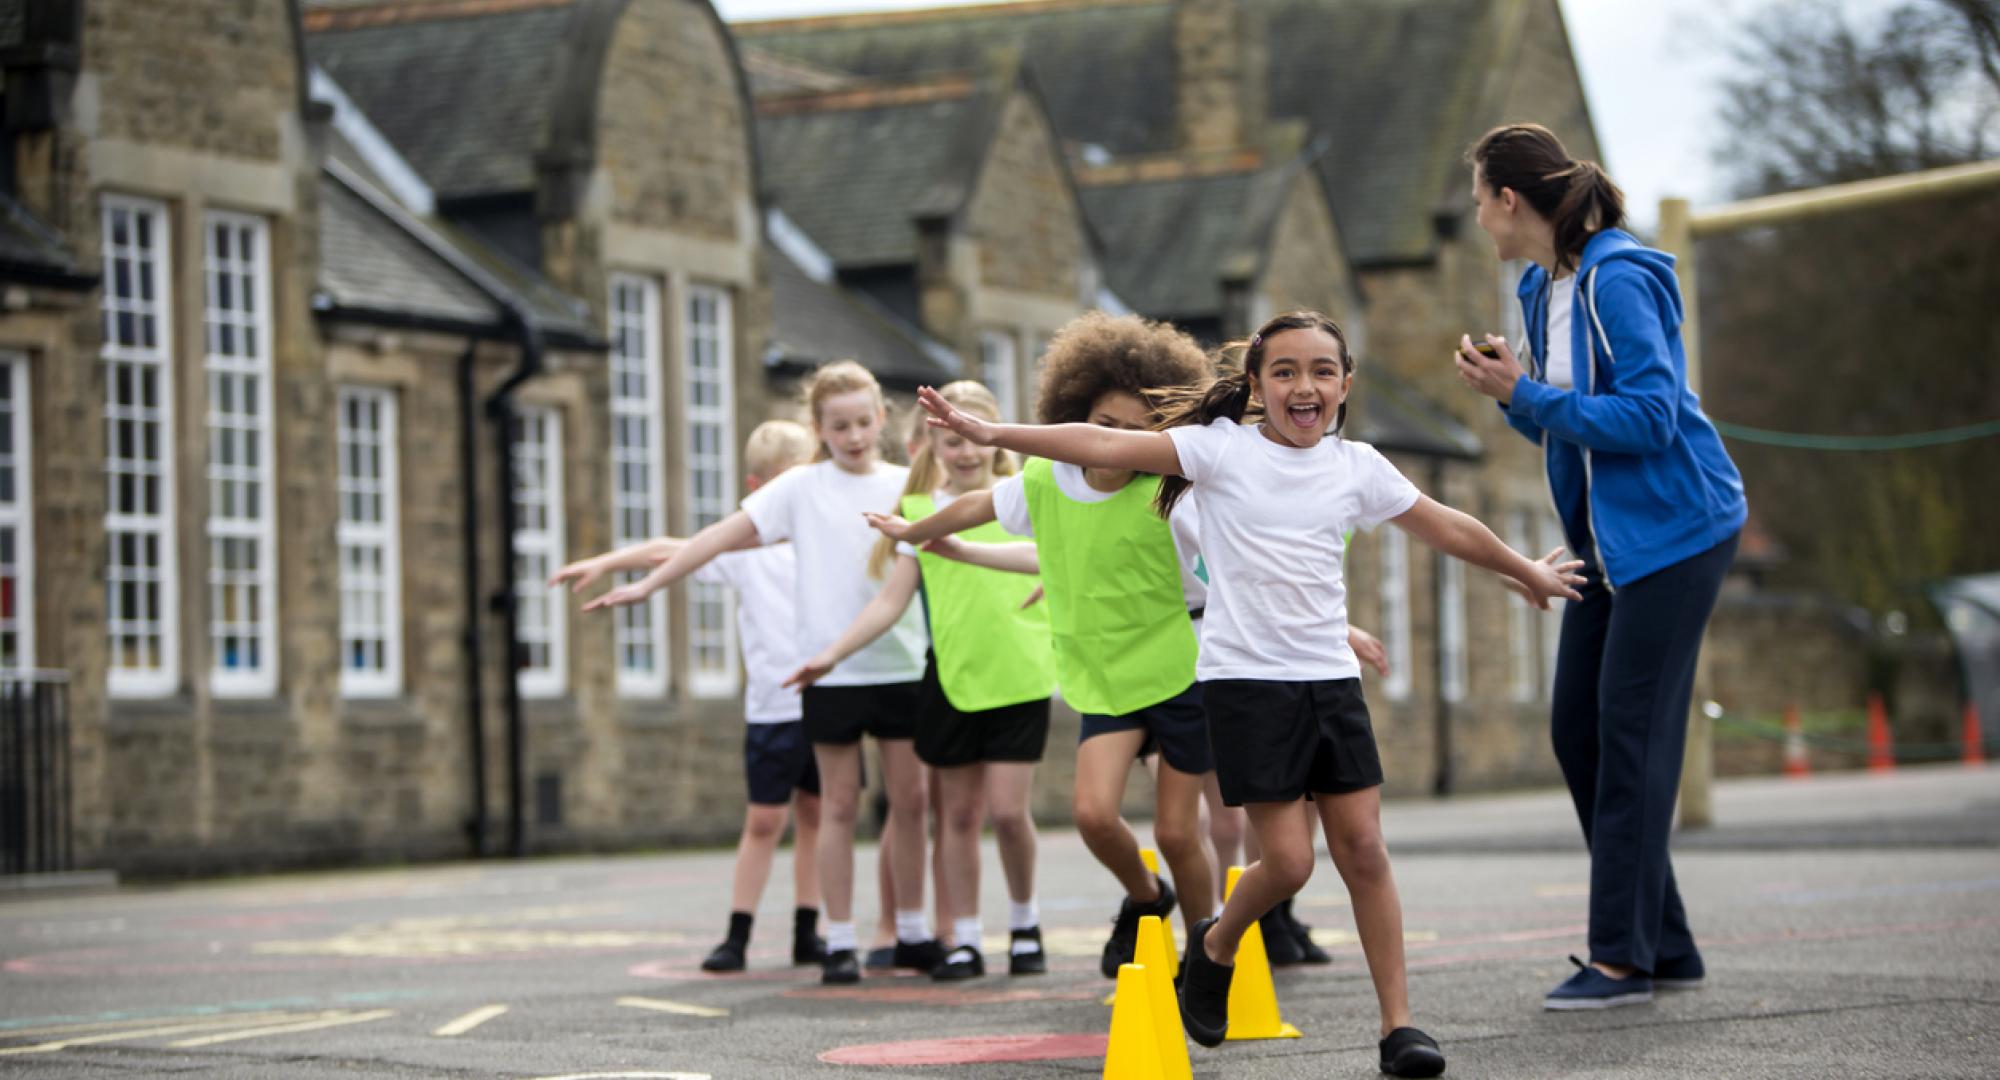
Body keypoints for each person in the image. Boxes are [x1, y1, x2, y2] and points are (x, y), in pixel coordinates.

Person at [913, 309, 1584, 1078]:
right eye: (1286, 371)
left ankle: (1399, 1028)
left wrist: (1524, 570)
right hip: (1245, 684)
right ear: (1258, 386)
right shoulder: (1217, 452)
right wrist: (998, 436)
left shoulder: (1358, 467)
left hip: (1329, 682)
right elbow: (1102, 442)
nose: (1305, 386)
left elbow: (1445, 525)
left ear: (1344, 385)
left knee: (1364, 849)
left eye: (1322, 371)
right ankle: (1217, 940)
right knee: (1290, 864)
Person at [1458, 122, 1747, 1010]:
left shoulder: (1618, 278)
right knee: (1576, 732)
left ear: (1512, 199)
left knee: (1630, 737)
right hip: (1605, 546)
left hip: (1678, 533)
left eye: (1479, 200)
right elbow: (1566, 423)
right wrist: (1517, 397)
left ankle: (1620, 960)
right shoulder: (1541, 286)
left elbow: (1651, 419)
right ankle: (1667, 944)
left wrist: (1530, 394)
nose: (1477, 219)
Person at [868, 313, 1219, 981]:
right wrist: (915, 532)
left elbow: (1233, 576)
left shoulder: (1176, 499)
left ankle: (1204, 957)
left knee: (1178, 833)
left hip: (1181, 667)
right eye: (1102, 426)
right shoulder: (1045, 484)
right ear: (1071, 419)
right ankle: (1148, 899)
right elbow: (977, 510)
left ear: (1163, 439)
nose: (1114, 444)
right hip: (1105, 673)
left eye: (1136, 433)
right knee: (1092, 815)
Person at [586, 361, 940, 985]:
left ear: (882, 419)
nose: (854, 436)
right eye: (839, 426)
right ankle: (839, 941)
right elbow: (717, 536)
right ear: (818, 428)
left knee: (910, 802)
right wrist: (648, 585)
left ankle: (912, 930)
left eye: (863, 422)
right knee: (836, 806)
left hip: (899, 666)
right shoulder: (799, 489)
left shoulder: (906, 484)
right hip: (826, 674)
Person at [785, 380, 1055, 981]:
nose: (962, 452)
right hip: (952, 679)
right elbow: (889, 602)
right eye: (947, 440)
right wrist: (831, 655)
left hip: (1021, 675)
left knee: (1009, 813)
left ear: (991, 439)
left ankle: (1025, 922)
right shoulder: (919, 515)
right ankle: (962, 937)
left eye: (970, 439)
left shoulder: (1027, 498)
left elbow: (1066, 560)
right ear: (930, 443)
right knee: (955, 817)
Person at [552, 420, 826, 972]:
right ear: (757, 488)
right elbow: (670, 550)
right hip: (773, 710)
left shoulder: (826, 543)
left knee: (820, 819)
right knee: (765, 821)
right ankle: (738, 934)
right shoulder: (745, 552)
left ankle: (809, 929)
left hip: (827, 702)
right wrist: (608, 562)